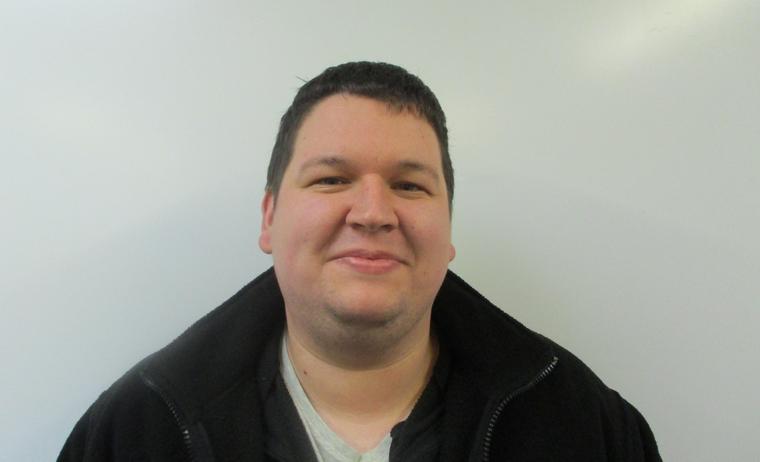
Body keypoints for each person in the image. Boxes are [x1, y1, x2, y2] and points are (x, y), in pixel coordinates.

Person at [59, 62, 661, 461]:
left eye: (409, 186)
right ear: (269, 218)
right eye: (331, 179)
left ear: (448, 230)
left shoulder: (588, 429)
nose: (373, 213)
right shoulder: (133, 433)